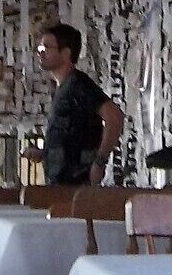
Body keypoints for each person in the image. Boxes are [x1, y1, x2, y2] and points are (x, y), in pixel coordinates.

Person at [36, 23, 124, 187]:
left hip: (76, 185)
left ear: (66, 53)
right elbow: (72, 139)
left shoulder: (78, 85)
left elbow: (114, 117)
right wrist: (45, 153)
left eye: (46, 48)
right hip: (61, 184)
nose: (40, 52)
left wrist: (99, 162)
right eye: (40, 47)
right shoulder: (64, 88)